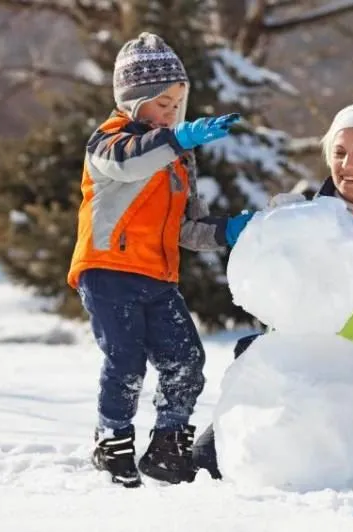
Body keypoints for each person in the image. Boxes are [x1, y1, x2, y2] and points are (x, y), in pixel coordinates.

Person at [192, 103, 353, 480]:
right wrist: (272, 232)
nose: (347, 163)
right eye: (339, 152)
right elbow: (266, 285)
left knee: (337, 475)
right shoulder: (305, 214)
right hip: (289, 370)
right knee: (208, 461)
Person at [67, 32, 253, 488]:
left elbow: (188, 228)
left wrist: (230, 230)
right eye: (160, 103)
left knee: (186, 360)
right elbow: (129, 163)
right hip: (108, 271)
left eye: (177, 105)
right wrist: (179, 137)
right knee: (126, 360)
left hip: (159, 276)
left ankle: (169, 443)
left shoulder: (177, 159)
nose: (171, 114)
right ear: (133, 102)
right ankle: (112, 438)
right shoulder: (109, 141)